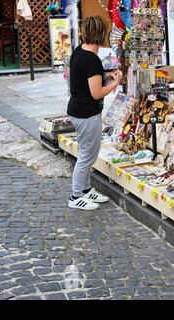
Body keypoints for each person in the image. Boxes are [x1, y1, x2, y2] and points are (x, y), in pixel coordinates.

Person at [67, 16, 123, 210]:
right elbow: (96, 92)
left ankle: (85, 190)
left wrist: (107, 76)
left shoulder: (79, 52)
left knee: (86, 152)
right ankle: (75, 196)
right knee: (86, 156)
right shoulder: (92, 60)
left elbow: (88, 80)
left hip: (78, 110)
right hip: (86, 114)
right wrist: (115, 83)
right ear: (102, 34)